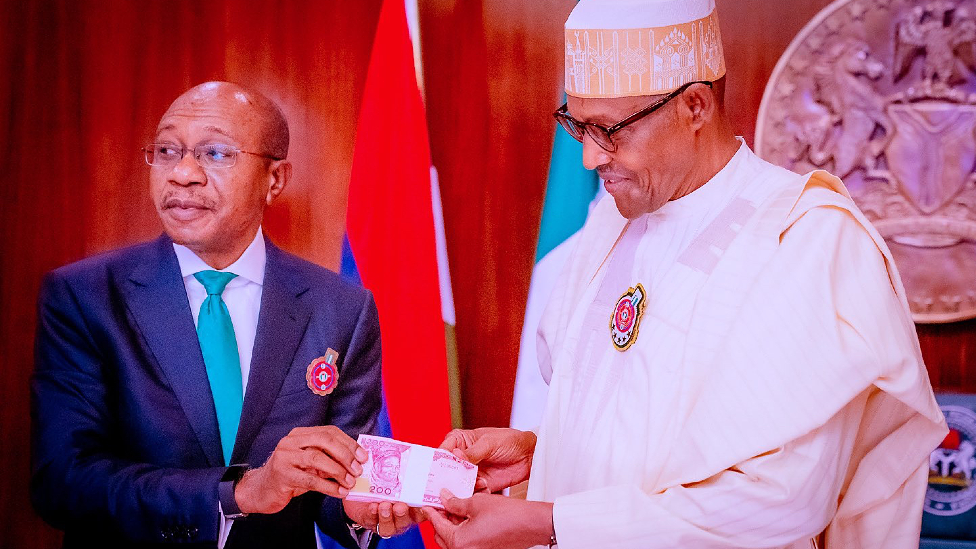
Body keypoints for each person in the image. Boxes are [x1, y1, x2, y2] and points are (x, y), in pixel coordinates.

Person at [424, 1, 948, 548]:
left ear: (694, 105)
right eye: (577, 125)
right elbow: (653, 435)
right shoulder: (611, 219)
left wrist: (553, 522)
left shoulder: (807, 238)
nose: (588, 158)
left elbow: (782, 497)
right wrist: (543, 452)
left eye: (609, 129)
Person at [31, 81, 416, 548]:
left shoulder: (340, 308)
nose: (183, 174)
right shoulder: (84, 297)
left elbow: (335, 486)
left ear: (275, 179)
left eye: (215, 154)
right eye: (168, 150)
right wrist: (239, 493)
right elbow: (63, 482)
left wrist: (356, 509)